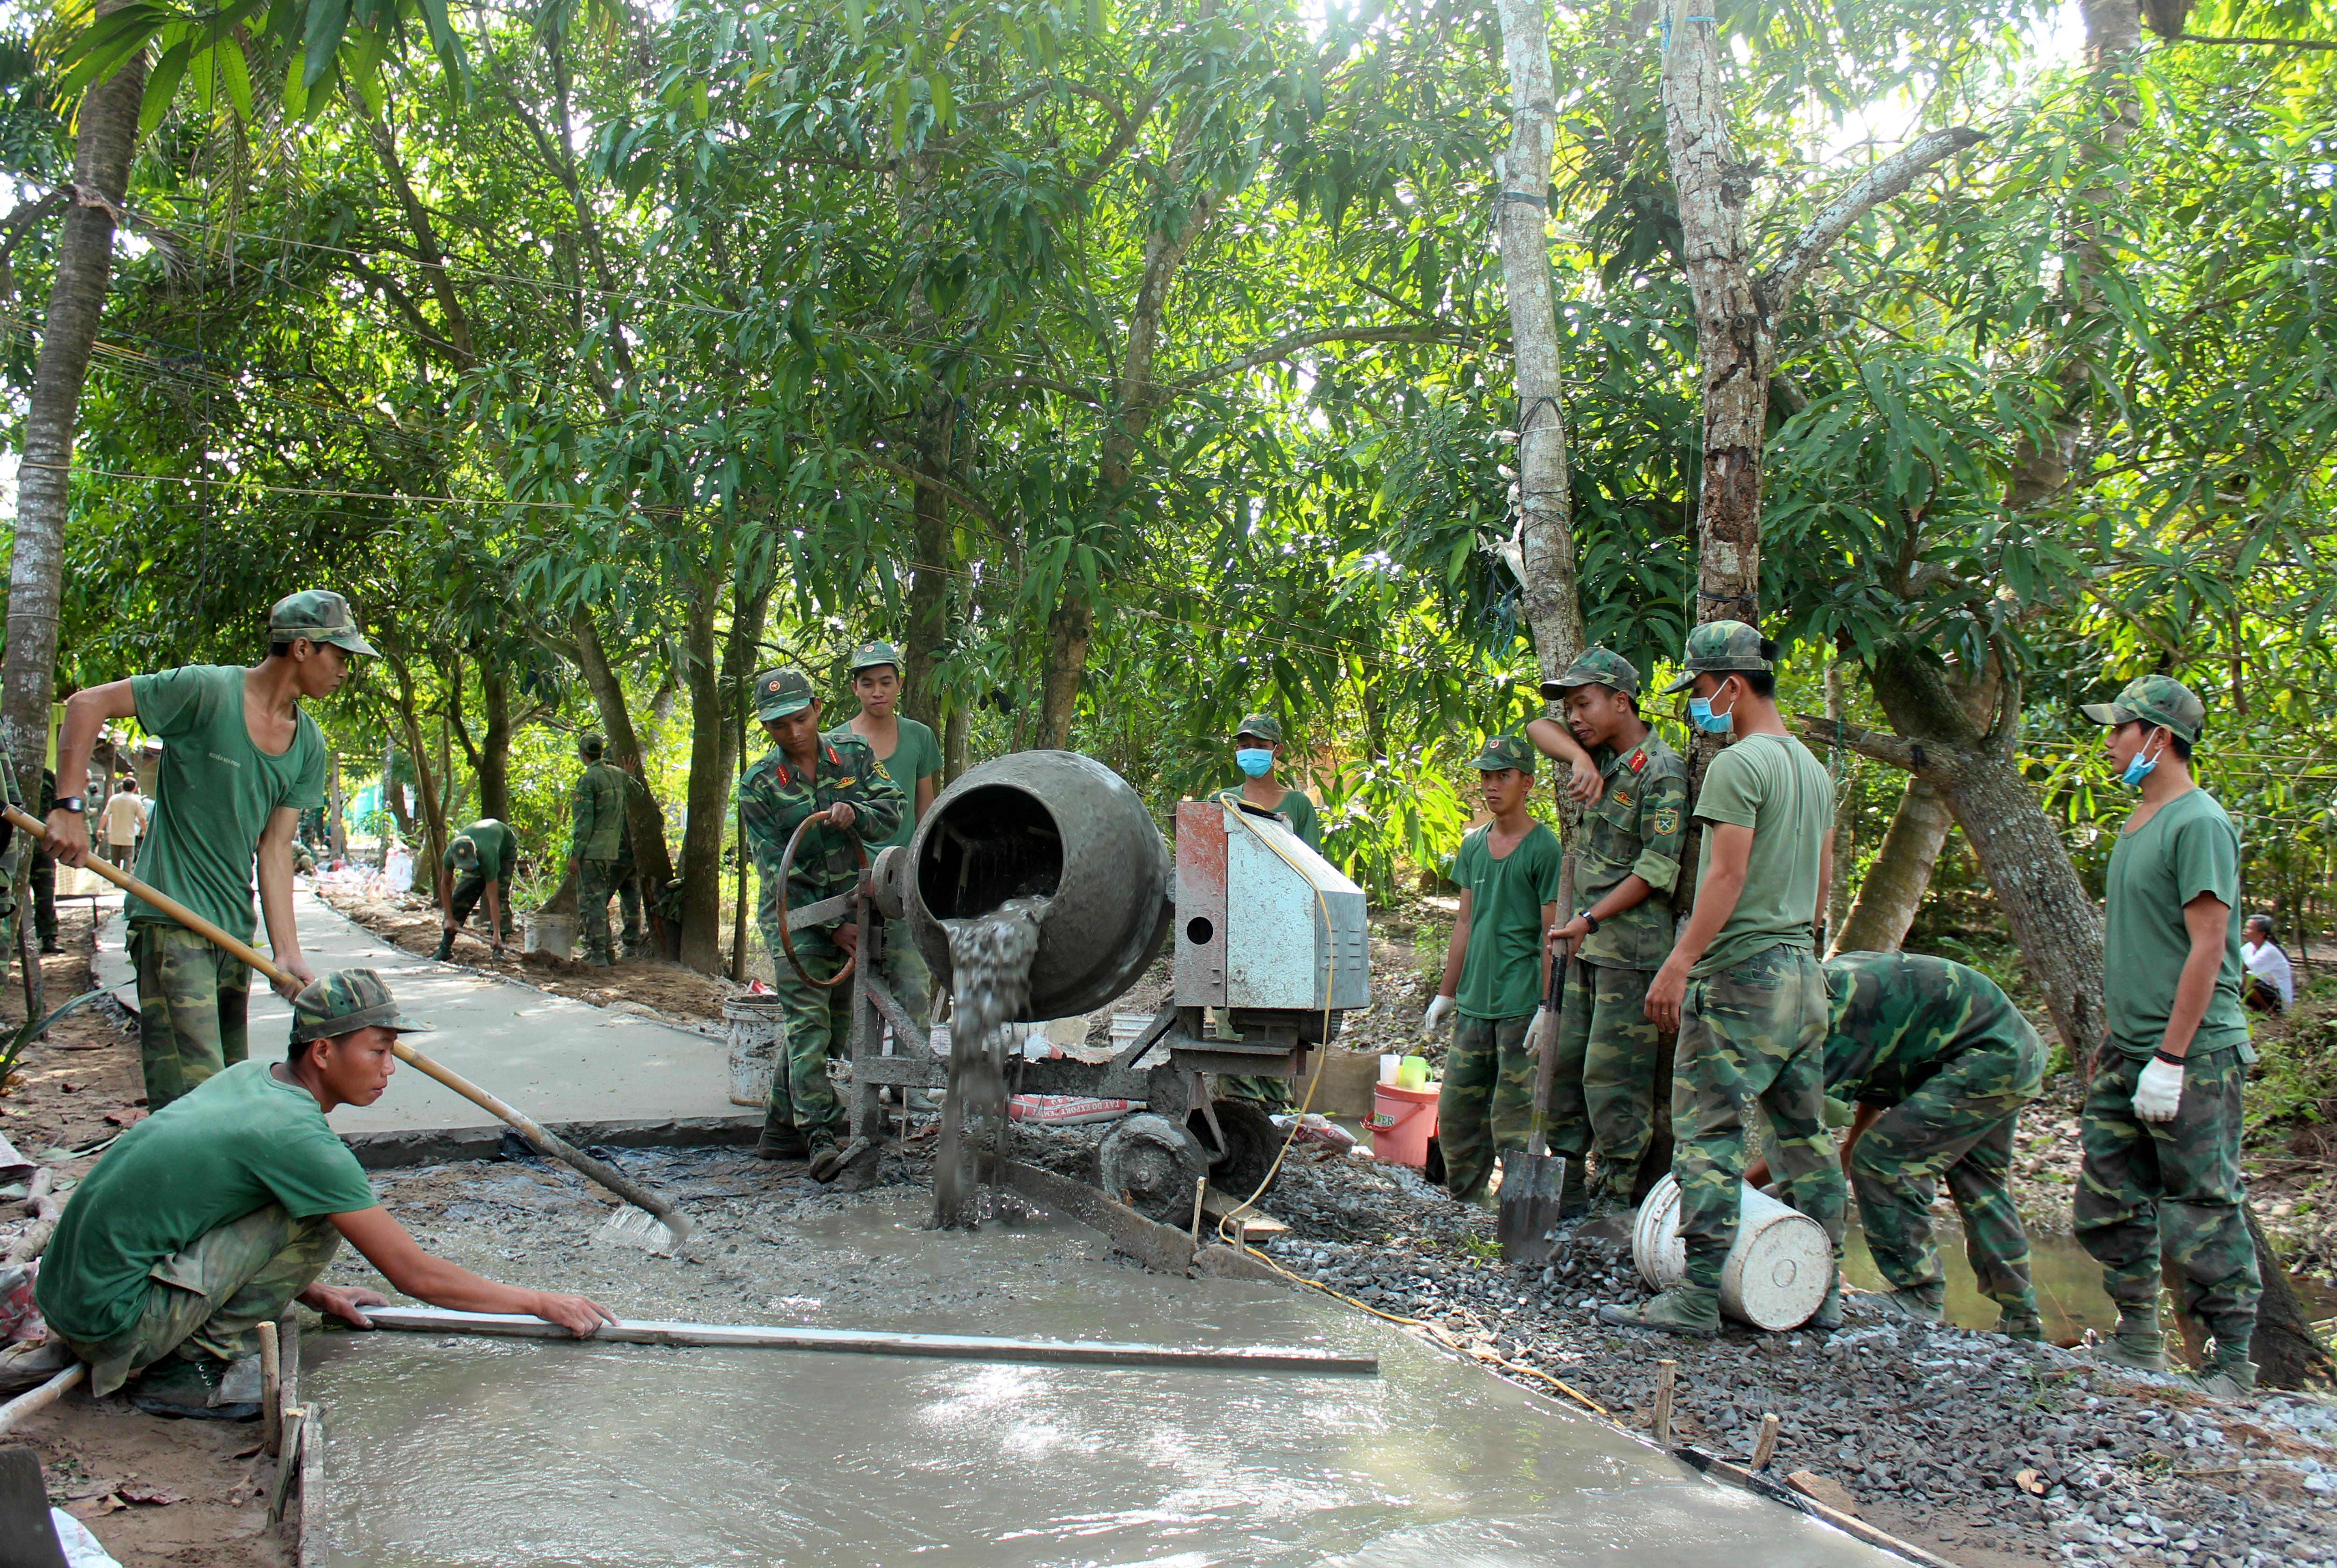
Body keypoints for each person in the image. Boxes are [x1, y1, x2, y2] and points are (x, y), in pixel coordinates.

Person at [34, 969, 616, 1419]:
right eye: (378, 1050)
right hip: (114, 1324)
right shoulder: (299, 1140)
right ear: (322, 1052)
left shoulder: (250, 1079)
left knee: (297, 1203)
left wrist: (308, 1291)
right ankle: (191, 1373)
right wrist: (538, 1302)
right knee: (317, 1220)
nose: (390, 1068)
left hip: (69, 1298)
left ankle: (173, 1344)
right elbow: (413, 1275)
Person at [1602, 622, 1841, 1339]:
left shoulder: (1739, 765)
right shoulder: (1814, 771)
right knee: (1804, 1136)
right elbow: (1823, 884)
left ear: (1733, 686)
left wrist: (1680, 963)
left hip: (1741, 975)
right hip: (1801, 974)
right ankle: (1824, 1292)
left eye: (1702, 690)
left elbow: (1726, 876)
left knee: (1709, 1133)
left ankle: (1699, 1295)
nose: (1697, 705)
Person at [44, 590, 356, 1111]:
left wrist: (286, 953)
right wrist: (69, 808)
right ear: (303, 648)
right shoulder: (205, 691)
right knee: (196, 1104)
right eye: (340, 656)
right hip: (171, 920)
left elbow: (276, 850)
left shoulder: (308, 744)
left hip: (233, 932)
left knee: (229, 1093)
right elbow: (87, 704)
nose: (346, 671)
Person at [2076, 675, 2258, 1396]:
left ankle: (2231, 1362)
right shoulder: (2138, 822)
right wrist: (2120, 1040)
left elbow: (2209, 946)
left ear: (2156, 737)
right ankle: (2138, 1339)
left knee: (2203, 1206)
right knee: (2108, 1196)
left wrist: (2172, 1058)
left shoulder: (2198, 822)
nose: (2108, 742)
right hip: (2130, 1050)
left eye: (2118, 729)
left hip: (2195, 1055)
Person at [1798, 951, 2046, 1339]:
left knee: (1882, 1163)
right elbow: (1876, 1072)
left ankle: (1920, 1293)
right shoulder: (1831, 986)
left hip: (1988, 1055)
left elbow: (1800, 1136)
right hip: (2009, 1050)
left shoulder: (1831, 1016)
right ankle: (2022, 1320)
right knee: (1980, 1184)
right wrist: (1848, 1148)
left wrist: (1742, 1188)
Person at [1522, 649, 1687, 1225]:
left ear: (1622, 702)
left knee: (1612, 1080)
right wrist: (1578, 757)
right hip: (1585, 947)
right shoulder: (1600, 757)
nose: (1574, 718)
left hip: (1628, 953)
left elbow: (1655, 869)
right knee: (1565, 1066)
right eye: (1570, 707)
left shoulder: (1661, 771)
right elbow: (1535, 727)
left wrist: (1588, 920)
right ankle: (1566, 1192)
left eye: (1584, 704)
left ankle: (1615, 1201)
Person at [737, 669, 903, 1181]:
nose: (793, 733)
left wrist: (856, 813)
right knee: (808, 1023)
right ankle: (819, 1137)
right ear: (766, 728)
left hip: (851, 908)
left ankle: (778, 1130)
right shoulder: (759, 785)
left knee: (830, 1024)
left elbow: (893, 810)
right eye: (779, 726)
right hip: (795, 919)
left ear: (816, 708)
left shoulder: (852, 756)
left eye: (800, 719)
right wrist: (830, 928)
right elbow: (775, 869)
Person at [1422, 735, 1560, 1204]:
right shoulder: (1474, 845)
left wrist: (1547, 1005)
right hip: (1474, 1004)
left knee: (1513, 1118)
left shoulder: (1543, 848)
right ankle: (1465, 1203)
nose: (1492, 786)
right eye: (1486, 776)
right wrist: (1446, 993)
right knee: (1458, 1111)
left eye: (1504, 776)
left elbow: (1551, 935)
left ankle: (1515, 1213)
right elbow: (1464, 922)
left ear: (1528, 783)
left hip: (1518, 1005)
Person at [1219, 711, 1324, 1109]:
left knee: (1276, 1029)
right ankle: (1241, 1115)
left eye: (1260, 746)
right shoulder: (1223, 800)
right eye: (1244, 745)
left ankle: (1277, 1114)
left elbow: (1313, 869)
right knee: (1231, 1030)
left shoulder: (1297, 805)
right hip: (1234, 930)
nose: (1250, 752)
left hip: (1283, 933)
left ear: (1276, 751)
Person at [840, 640, 944, 1028]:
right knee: (849, 991)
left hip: (902, 882)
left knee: (912, 987)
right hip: (849, 883)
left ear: (900, 684)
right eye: (868, 684)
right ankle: (847, 1066)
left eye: (886, 682)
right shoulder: (834, 743)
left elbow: (925, 811)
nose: (877, 692)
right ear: (855, 688)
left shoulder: (919, 736)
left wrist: (924, 875)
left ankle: (912, 1068)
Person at [567, 734, 631, 967]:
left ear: (582, 754)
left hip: (591, 852)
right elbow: (638, 792)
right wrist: (628, 775)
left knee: (590, 904)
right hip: (610, 851)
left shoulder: (588, 780)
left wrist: (576, 855)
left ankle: (598, 954)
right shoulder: (618, 774)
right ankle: (607, 952)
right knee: (599, 900)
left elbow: (584, 823)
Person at [436, 819, 517, 962]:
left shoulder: (489, 855)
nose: (467, 869)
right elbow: (445, 884)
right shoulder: (450, 855)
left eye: (469, 865)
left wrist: (497, 933)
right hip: (484, 846)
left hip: (505, 849)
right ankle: (445, 948)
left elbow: (493, 898)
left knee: (500, 895)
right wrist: (449, 917)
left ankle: (499, 947)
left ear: (475, 854)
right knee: (462, 896)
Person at [2240, 913, 2294, 1014]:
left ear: (2262, 934)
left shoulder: (2268, 951)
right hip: (2265, 990)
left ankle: (2268, 1010)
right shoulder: (2248, 947)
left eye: (2249, 928)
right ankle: (2257, 1008)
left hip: (2279, 999)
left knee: (2245, 980)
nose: (2244, 931)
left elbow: (2241, 969)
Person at [99, 775, 147, 872]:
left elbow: (105, 815)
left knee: (115, 864)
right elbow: (142, 819)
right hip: (128, 838)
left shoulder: (113, 799)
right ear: (135, 789)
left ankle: (114, 880)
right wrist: (145, 831)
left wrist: (100, 829)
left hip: (114, 837)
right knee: (128, 862)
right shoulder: (136, 801)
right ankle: (126, 880)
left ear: (122, 787)